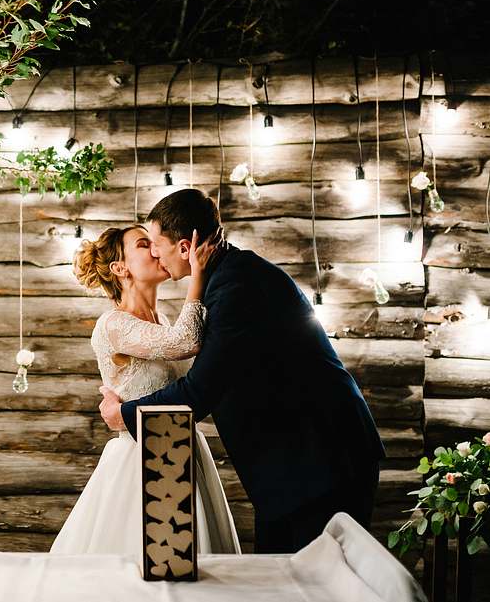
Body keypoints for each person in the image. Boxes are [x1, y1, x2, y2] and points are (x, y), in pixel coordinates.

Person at [99, 188, 386, 554]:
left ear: (185, 248)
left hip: (321, 461)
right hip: (293, 464)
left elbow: (199, 392)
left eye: (156, 244)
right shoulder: (227, 278)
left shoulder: (237, 287)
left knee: (318, 578)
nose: (154, 253)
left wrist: (123, 414)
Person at [50, 223, 240, 559]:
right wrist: (197, 273)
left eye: (154, 242)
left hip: (183, 448)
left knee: (188, 561)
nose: (155, 249)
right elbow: (185, 341)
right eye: (143, 244)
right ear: (120, 268)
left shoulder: (163, 321)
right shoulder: (113, 324)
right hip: (140, 459)